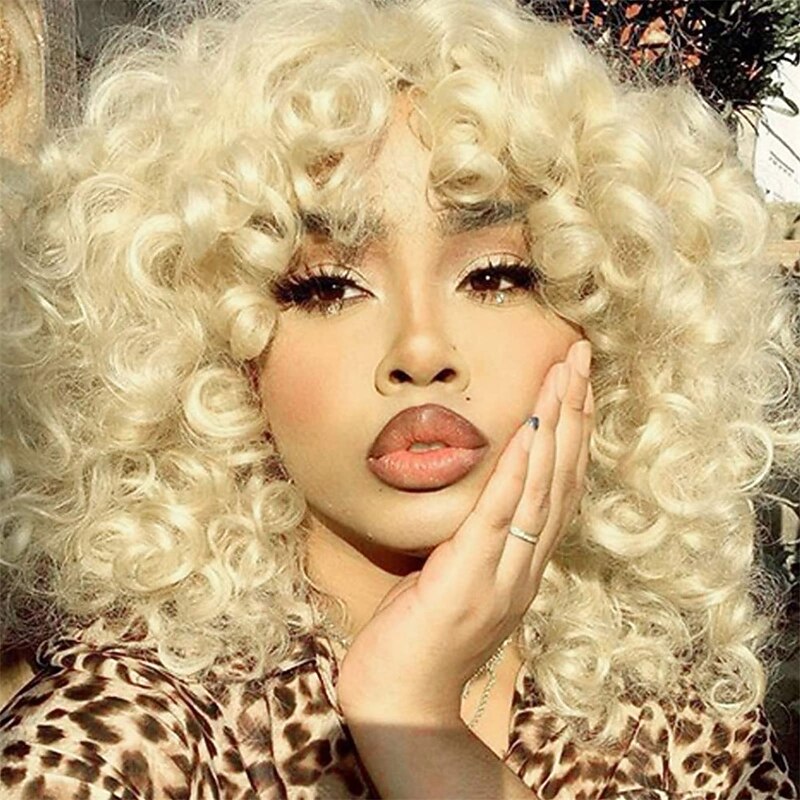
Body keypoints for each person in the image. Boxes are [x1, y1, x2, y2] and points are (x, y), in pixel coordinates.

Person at [1, 0, 798, 797]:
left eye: (496, 276)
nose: (421, 351)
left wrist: (416, 720)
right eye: (326, 287)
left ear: (607, 323)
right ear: (224, 354)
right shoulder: (120, 739)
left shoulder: (682, 721)